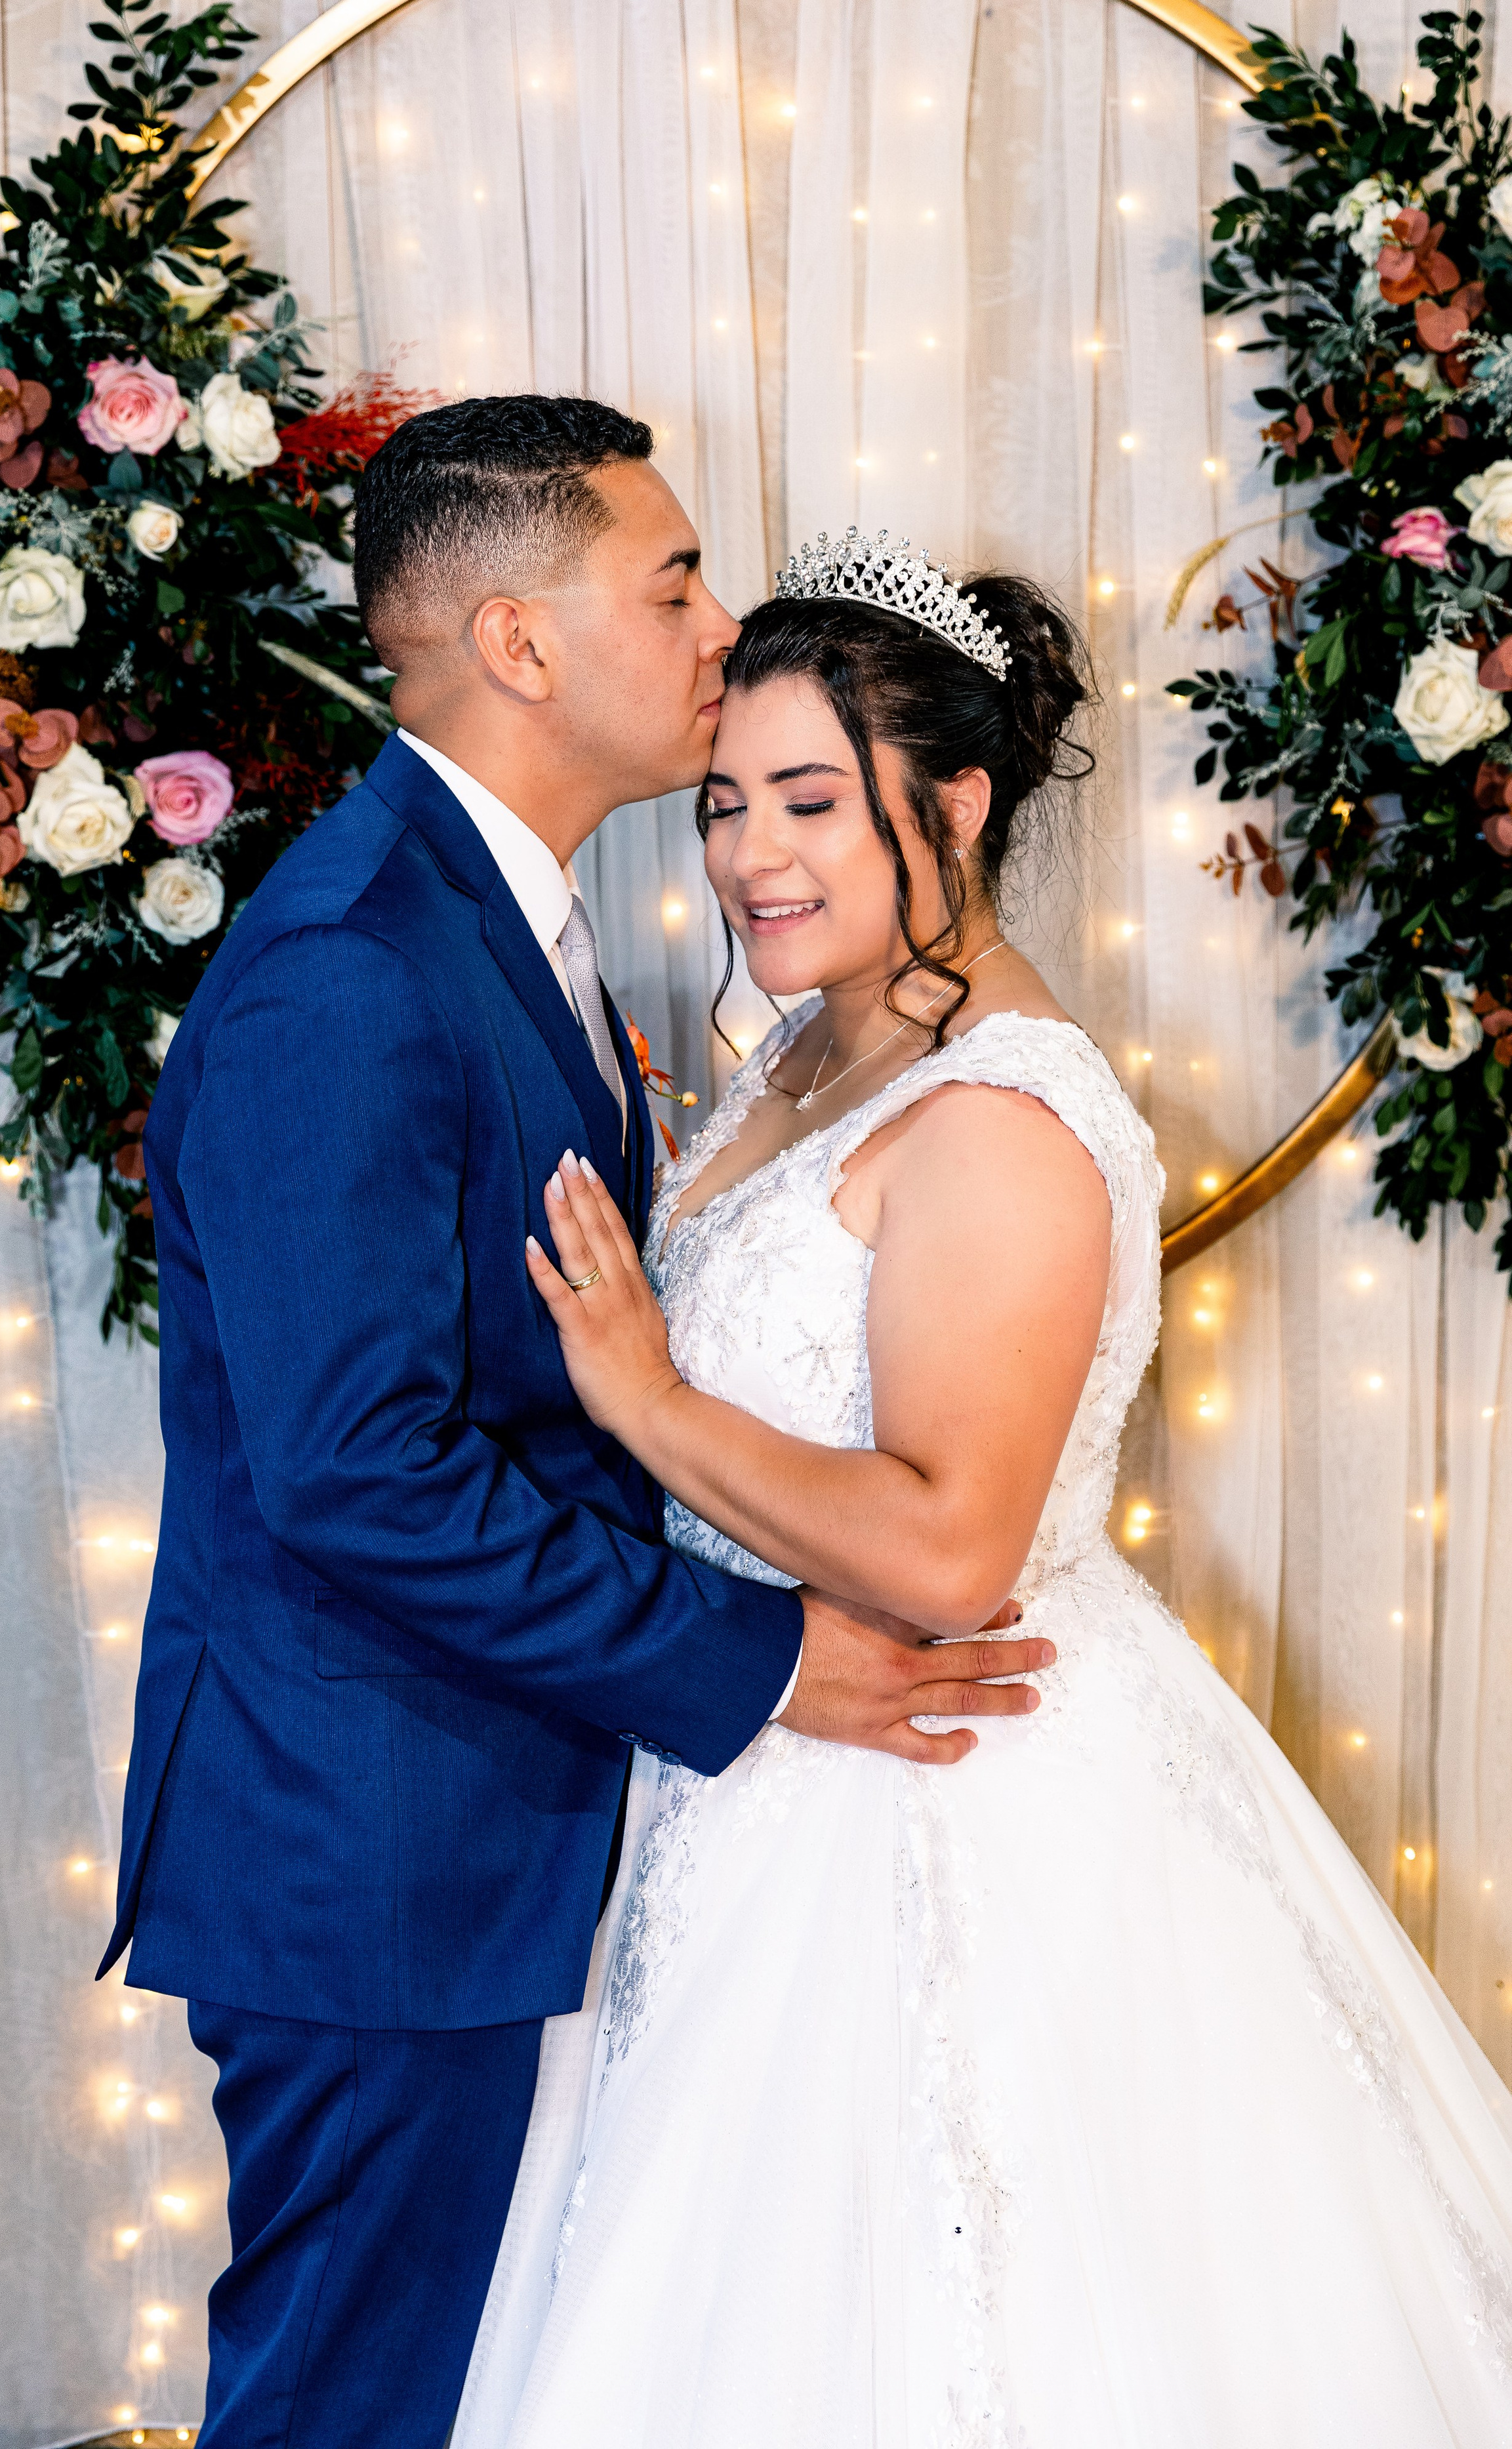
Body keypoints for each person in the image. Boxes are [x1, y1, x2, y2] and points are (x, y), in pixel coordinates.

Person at [453, 532, 1512, 2447]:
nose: (750, 856)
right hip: (751, 1773)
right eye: (722, 806)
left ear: (956, 801)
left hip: (951, 1791)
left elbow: (953, 1546)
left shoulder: (1008, 1117)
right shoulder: (795, 1049)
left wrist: (645, 1399)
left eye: (808, 804)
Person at [98, 410, 1053, 2449]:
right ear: (521, 645)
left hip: (508, 1819)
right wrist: (762, 1657)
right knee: (364, 2402)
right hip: (378, 1854)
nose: (719, 625)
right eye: (675, 582)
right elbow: (360, 1469)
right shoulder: (348, 970)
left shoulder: (493, 925)